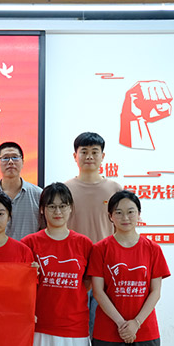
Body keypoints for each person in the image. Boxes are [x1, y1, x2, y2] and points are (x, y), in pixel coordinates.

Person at [88, 190, 169, 346]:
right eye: (119, 212)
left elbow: (155, 292)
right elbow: (98, 292)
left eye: (131, 212)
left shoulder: (152, 249)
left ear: (139, 214)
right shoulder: (100, 249)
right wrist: (122, 324)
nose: (125, 217)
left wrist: (136, 323)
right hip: (108, 333)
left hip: (145, 333)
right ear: (110, 216)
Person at [21, 183, 96, 346]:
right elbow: (21, 285)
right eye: (51, 206)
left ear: (71, 208)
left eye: (63, 206)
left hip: (74, 327)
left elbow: (88, 281)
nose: (57, 211)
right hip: (41, 328)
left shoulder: (84, 244)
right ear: (42, 209)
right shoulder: (30, 243)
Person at [65, 132, 123, 335]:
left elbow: (122, 229)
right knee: (75, 327)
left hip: (106, 268)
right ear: (75, 156)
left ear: (102, 156)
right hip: (73, 268)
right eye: (84, 151)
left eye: (94, 152)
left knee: (103, 329)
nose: (89, 156)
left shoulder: (114, 189)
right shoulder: (65, 189)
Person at [0, 142, 42, 240]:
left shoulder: (38, 194)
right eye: (5, 158)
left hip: (29, 249)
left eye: (15, 157)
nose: (10, 162)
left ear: (23, 162)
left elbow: (44, 229)